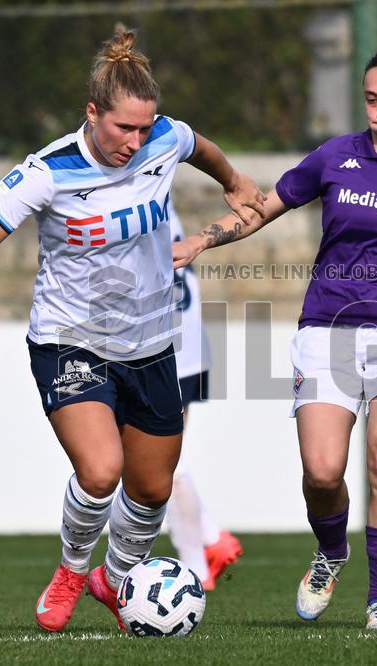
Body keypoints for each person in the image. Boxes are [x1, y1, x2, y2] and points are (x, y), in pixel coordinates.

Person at [173, 47, 377, 630]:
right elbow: (264, 208)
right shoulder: (335, 157)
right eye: (372, 99)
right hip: (327, 327)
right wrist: (205, 238)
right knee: (323, 472)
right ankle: (331, 553)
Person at [0, 24, 264, 633]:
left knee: (152, 488)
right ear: (92, 113)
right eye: (123, 128)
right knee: (100, 471)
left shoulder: (162, 139)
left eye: (145, 128)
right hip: (71, 339)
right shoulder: (47, 171)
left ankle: (115, 581)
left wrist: (234, 183)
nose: (136, 141)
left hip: (150, 342)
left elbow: (198, 145)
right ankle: (71, 569)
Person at [166, 212, 243, 591]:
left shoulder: (132, 201)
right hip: (186, 345)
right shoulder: (158, 202)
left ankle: (199, 561)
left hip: (165, 347)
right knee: (158, 460)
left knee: (154, 462)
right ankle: (210, 541)